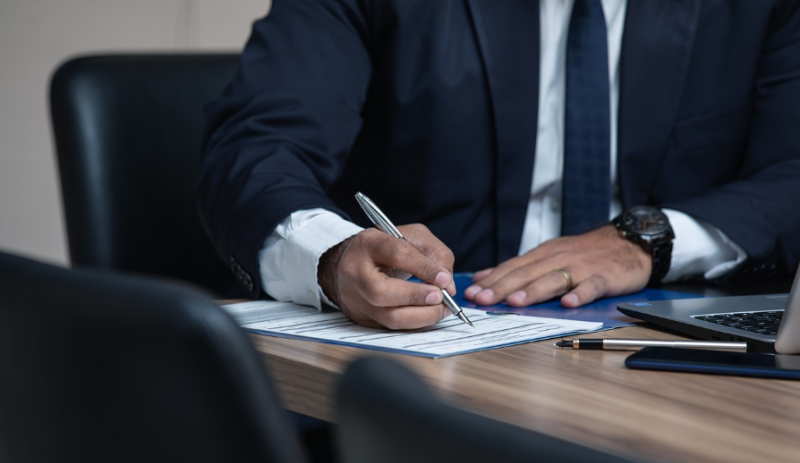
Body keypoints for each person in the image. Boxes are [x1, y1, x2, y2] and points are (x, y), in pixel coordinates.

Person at [199, 0, 800, 330]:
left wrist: (649, 239)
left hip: (659, 363)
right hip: (423, 363)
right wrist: (333, 258)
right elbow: (257, 148)